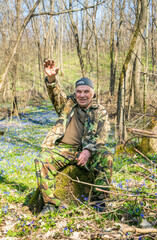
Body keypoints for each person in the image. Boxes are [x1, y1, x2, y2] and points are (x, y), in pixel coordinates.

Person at [34, 59, 113, 214]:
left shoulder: (100, 111)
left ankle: (99, 201)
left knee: (107, 156)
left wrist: (88, 150)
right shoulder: (68, 104)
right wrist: (51, 78)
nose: (82, 95)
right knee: (41, 159)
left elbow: (102, 136)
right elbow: (55, 93)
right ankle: (51, 204)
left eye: (86, 92)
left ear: (93, 93)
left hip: (87, 151)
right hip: (64, 149)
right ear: (75, 92)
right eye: (79, 91)